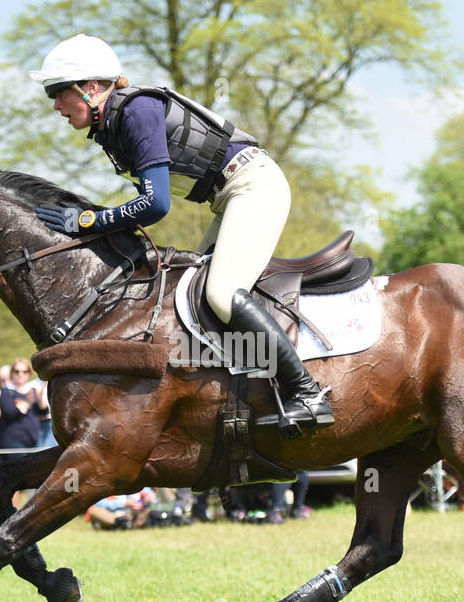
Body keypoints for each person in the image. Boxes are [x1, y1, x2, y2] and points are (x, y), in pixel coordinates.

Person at [29, 33, 332, 437]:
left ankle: (307, 392)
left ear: (91, 87)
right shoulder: (113, 122)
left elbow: (156, 205)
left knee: (221, 294)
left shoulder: (136, 112)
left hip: (253, 186)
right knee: (186, 298)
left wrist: (90, 222)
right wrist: (96, 221)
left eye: (57, 92)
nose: (55, 105)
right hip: (229, 197)